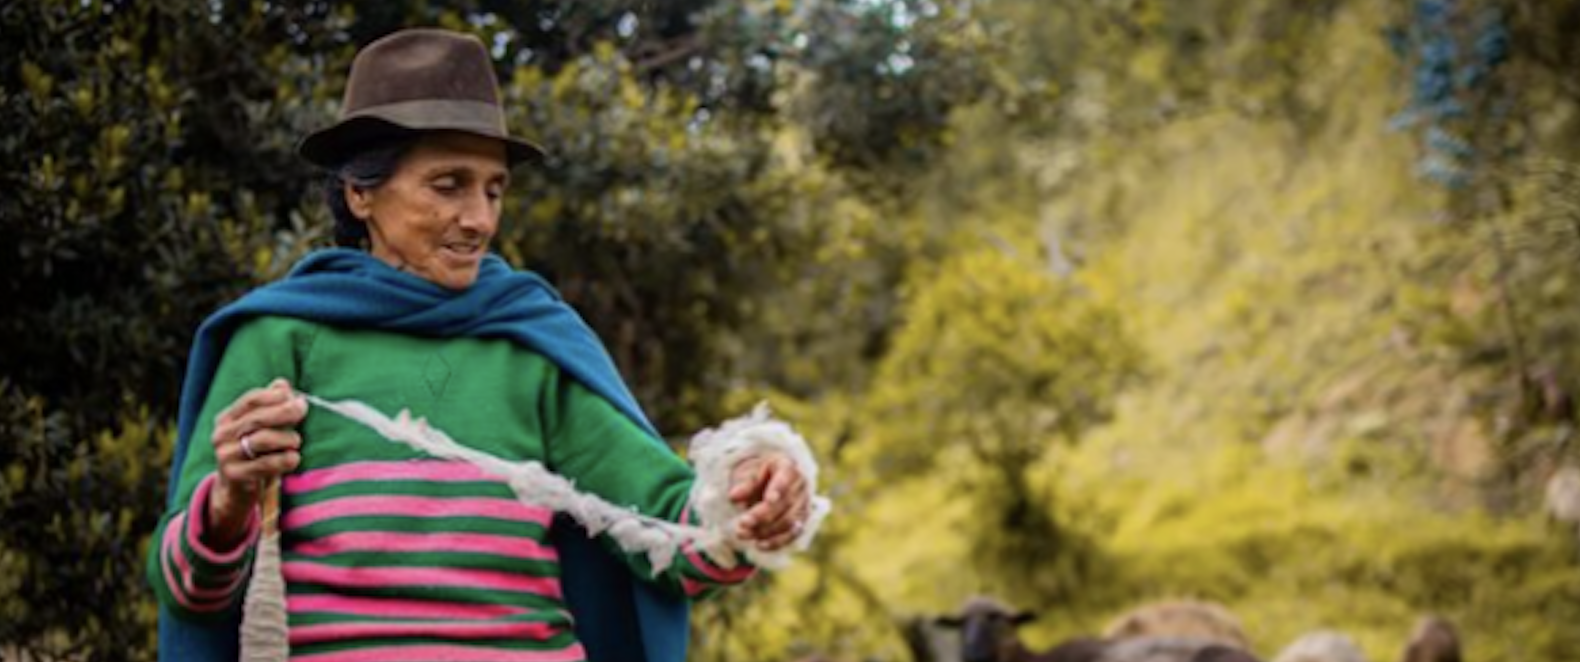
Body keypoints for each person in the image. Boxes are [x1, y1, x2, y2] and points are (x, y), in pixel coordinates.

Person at [146, 28, 817, 662]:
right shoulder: (282, 340)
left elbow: (667, 527)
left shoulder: (528, 343)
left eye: (494, 190)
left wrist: (747, 498)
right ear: (359, 193)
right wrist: (229, 499)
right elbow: (187, 587)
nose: (480, 219)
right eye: (449, 185)